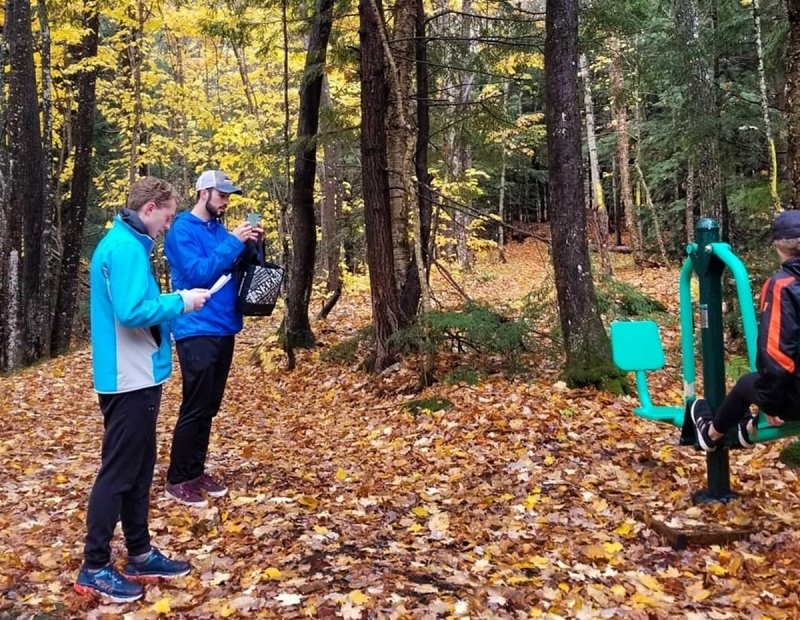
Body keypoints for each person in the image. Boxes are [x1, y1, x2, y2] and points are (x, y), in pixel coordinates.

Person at [74, 177, 211, 603]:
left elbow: (136, 306)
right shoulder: (125, 248)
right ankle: (93, 566)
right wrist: (182, 301)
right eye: (168, 216)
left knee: (138, 470)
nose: (168, 225)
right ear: (150, 208)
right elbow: (134, 311)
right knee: (118, 472)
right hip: (128, 378)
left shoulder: (128, 244)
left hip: (137, 375)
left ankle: (140, 552)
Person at [163, 170, 261, 507]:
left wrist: (251, 246)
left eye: (229, 195)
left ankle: (195, 471)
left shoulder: (219, 231)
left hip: (224, 326)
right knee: (195, 404)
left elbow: (237, 270)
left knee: (209, 405)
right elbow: (198, 273)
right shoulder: (180, 231)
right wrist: (233, 241)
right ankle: (177, 479)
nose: (226, 201)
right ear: (203, 192)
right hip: (195, 327)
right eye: (221, 195)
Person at [692, 209, 800, 452]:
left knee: (746, 385)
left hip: (795, 398)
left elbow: (777, 355)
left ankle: (710, 434)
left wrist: (770, 403)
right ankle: (748, 429)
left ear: (778, 246)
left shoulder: (782, 286)